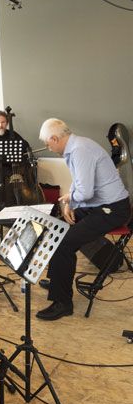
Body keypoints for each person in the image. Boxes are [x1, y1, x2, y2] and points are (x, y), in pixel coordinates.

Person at [36, 118, 131, 321]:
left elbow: (85, 192)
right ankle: (57, 281)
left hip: (113, 209)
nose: (48, 147)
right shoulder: (75, 147)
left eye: (48, 143)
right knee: (58, 227)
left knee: (64, 244)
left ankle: (63, 303)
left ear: (54, 138)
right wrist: (70, 204)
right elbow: (78, 182)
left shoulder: (80, 150)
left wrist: (70, 199)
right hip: (98, 206)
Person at [0, 111, 31, 205]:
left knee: (12, 189)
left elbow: (25, 145)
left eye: (3, 122)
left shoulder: (12, 134)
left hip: (8, 170)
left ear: (7, 123)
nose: (1, 125)